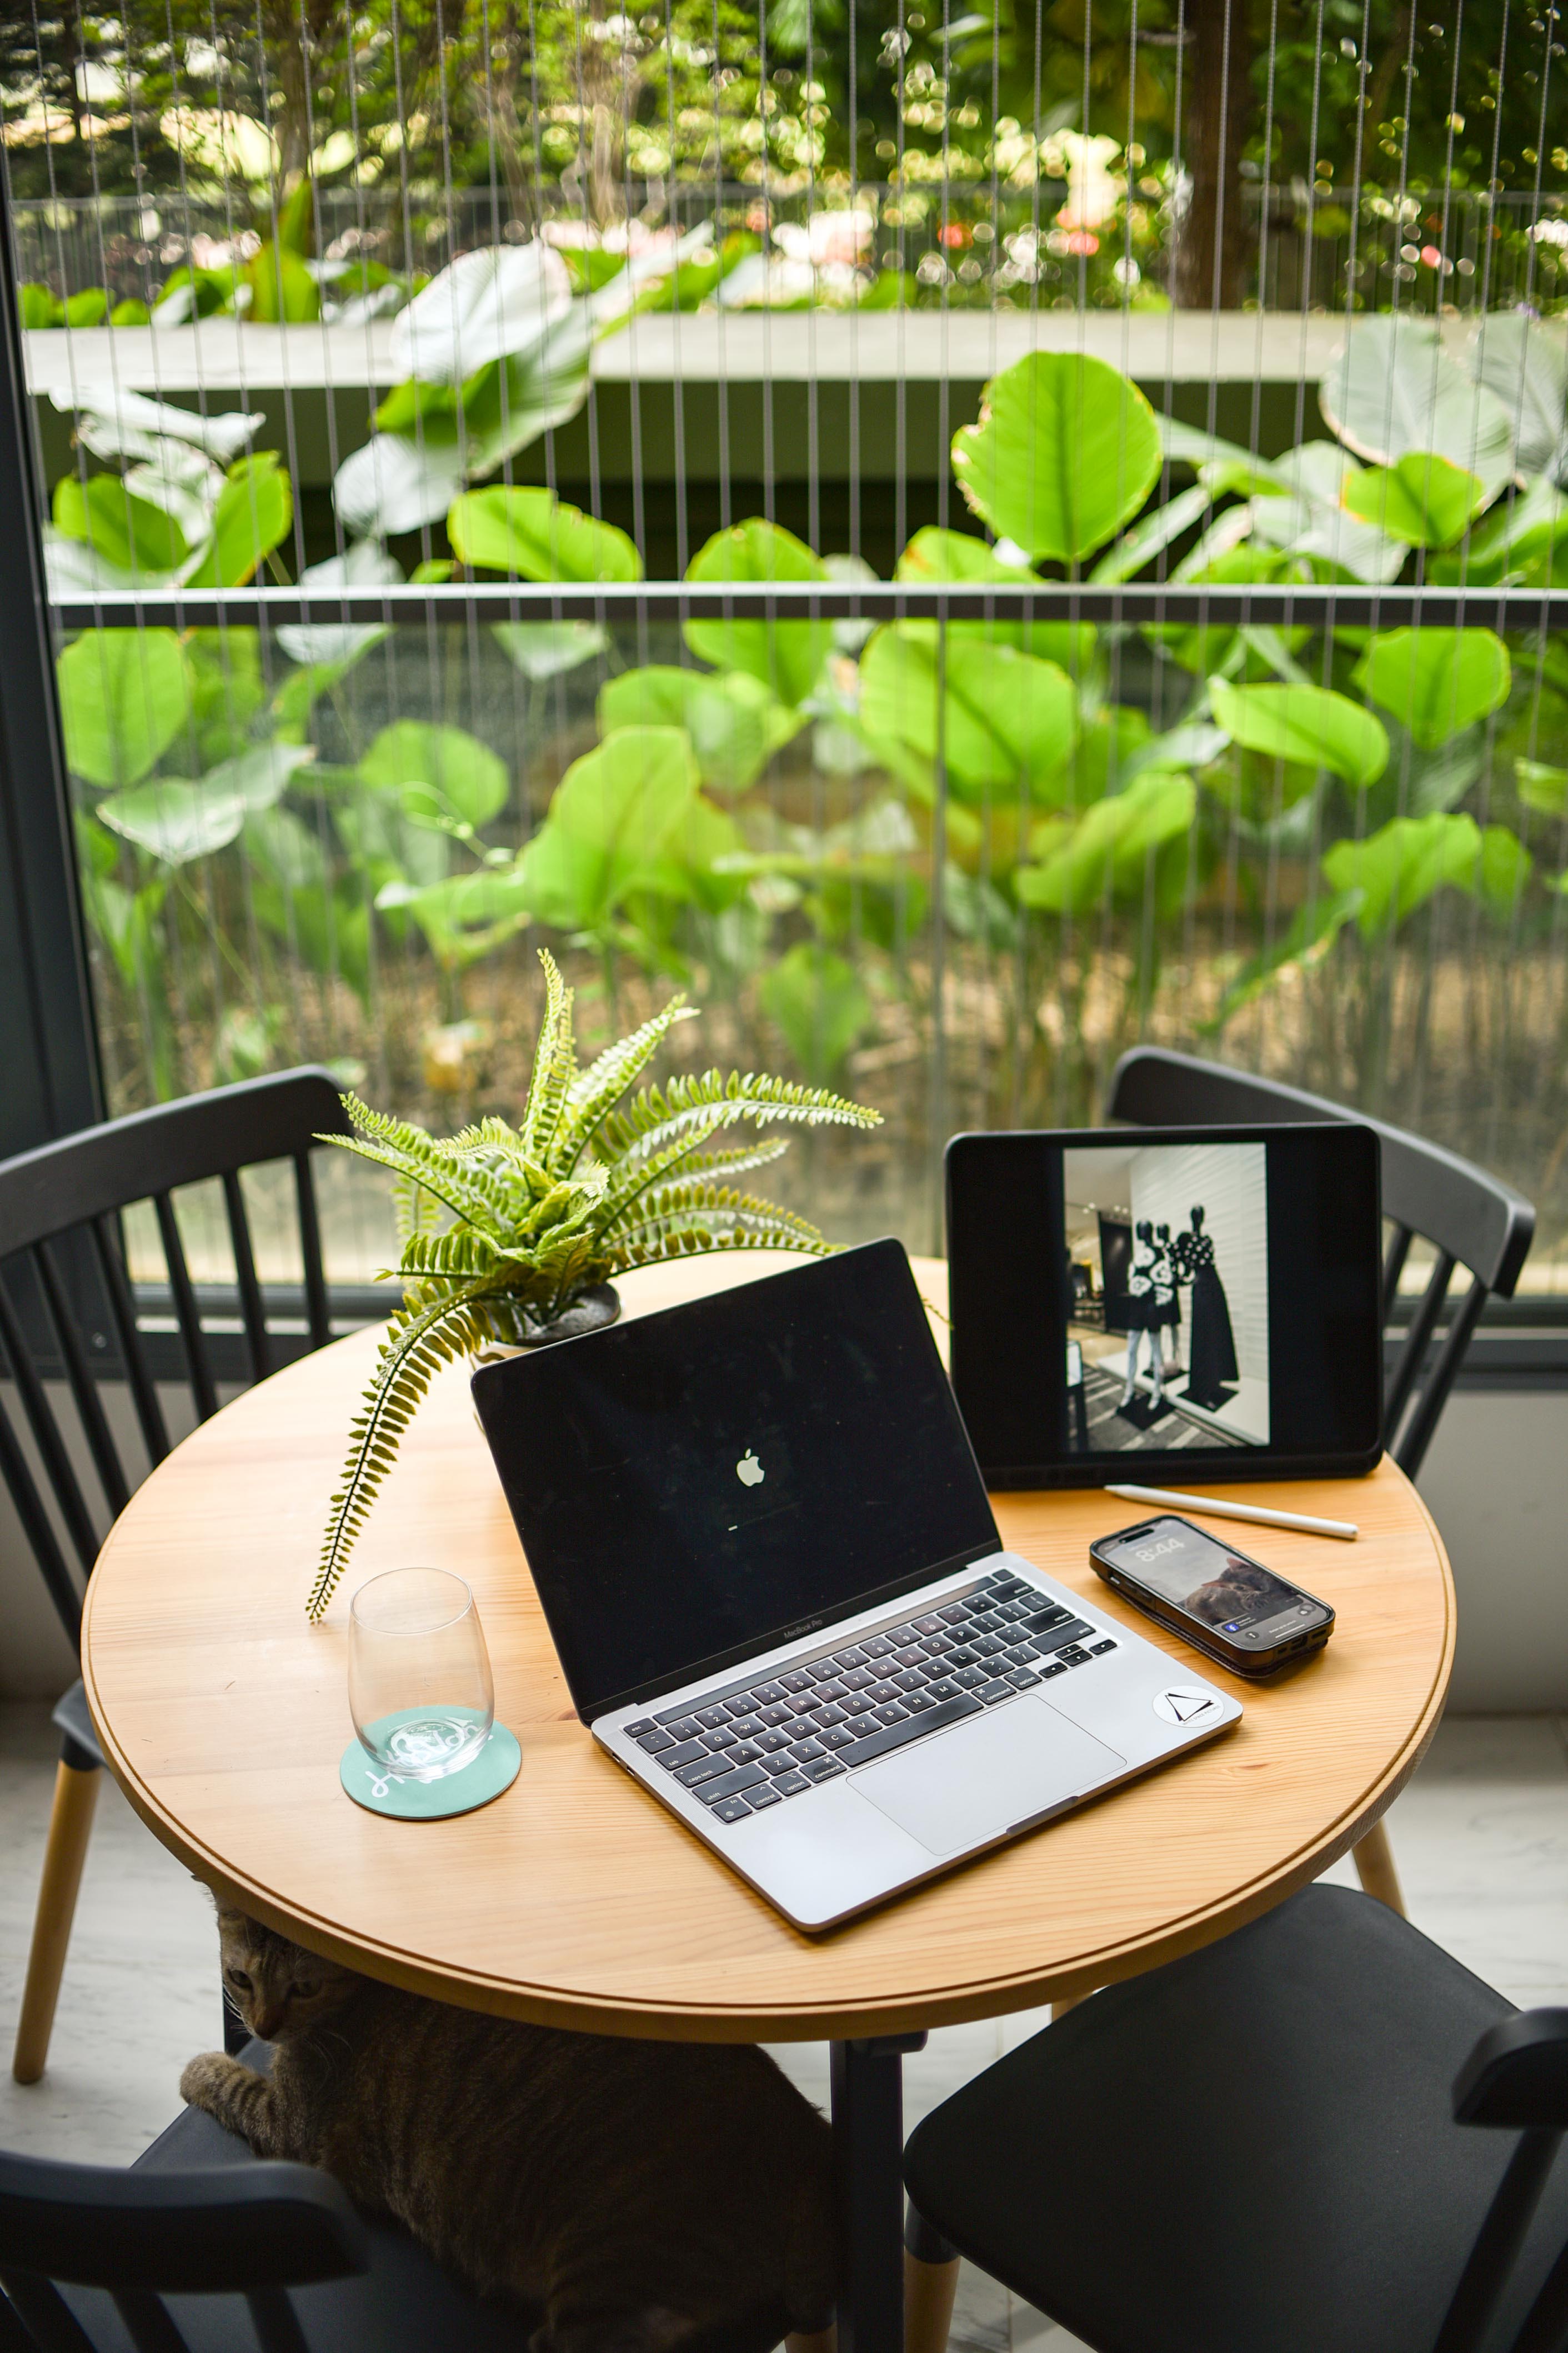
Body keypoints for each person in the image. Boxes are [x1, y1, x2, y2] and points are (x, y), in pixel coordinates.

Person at [1174, 1205, 1238, 1409]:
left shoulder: (1207, 1239)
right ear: (1192, 1217)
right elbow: (1183, 1270)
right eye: (1196, 1214)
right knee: (1204, 1335)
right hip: (1201, 1286)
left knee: (1218, 1331)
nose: (1199, 1218)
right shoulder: (1185, 1240)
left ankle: (1216, 1380)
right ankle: (1202, 1389)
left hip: (1214, 1283)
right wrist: (1179, 1280)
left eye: (1201, 1215)